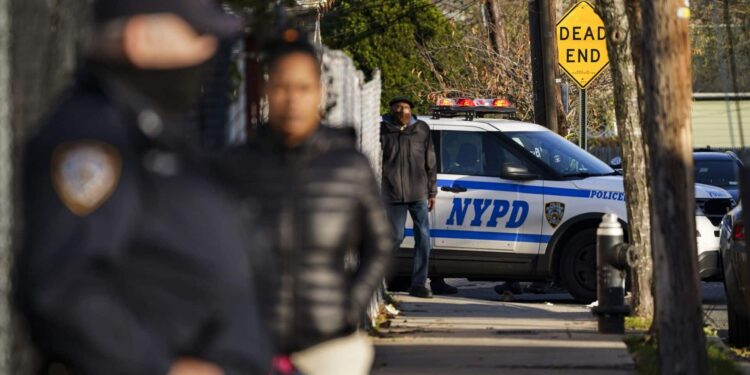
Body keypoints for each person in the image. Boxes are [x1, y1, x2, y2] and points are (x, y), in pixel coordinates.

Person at [13, 1, 271, 374]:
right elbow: (62, 287)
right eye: (198, 34)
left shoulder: (155, 133)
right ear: (141, 38)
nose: (210, 50)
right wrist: (160, 367)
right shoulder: (94, 138)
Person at [223, 30, 392, 375]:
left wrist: (352, 304)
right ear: (266, 91)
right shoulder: (237, 166)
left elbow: (381, 243)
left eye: (302, 88)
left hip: (329, 344)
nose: (292, 99)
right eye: (282, 87)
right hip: (251, 344)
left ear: (320, 92)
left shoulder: (349, 165)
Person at [381, 97, 457, 297]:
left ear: (411, 110)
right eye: (398, 107)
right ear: (391, 110)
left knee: (423, 237)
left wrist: (432, 191)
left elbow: (430, 161)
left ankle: (419, 283)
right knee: (395, 236)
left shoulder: (421, 129)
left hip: (418, 192)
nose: (402, 111)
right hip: (392, 192)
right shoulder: (382, 130)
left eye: (405, 107)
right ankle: (377, 278)